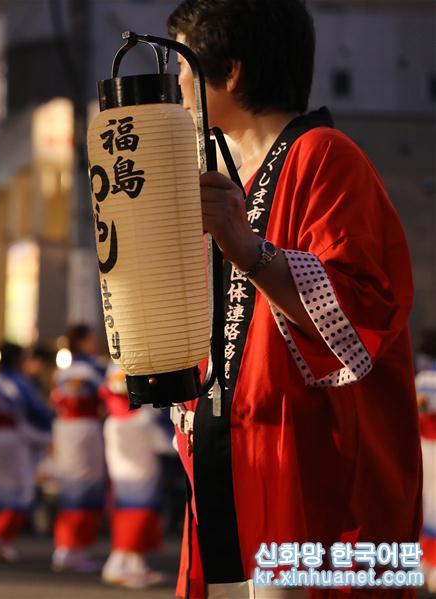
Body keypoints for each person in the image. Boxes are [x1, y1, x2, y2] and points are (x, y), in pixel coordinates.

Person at [166, 1, 421, 597]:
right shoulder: (217, 170)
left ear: (230, 71)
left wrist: (247, 247)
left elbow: (362, 315)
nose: (175, 89)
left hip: (310, 465)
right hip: (235, 453)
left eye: (183, 69)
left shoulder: (326, 156)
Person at [0, 342, 54, 563]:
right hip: (14, 437)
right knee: (22, 492)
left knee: (3, 491)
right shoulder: (17, 383)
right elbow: (37, 412)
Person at [99, 364, 167, 589]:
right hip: (132, 431)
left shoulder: (122, 362)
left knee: (136, 507)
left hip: (127, 430)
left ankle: (135, 563)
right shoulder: (123, 363)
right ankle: (118, 563)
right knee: (138, 509)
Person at [49, 324, 106, 573]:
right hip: (85, 428)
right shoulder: (90, 368)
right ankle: (72, 548)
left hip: (65, 428)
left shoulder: (62, 371)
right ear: (83, 341)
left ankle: (67, 547)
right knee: (84, 488)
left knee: (72, 486)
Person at [415, 331, 436, 592]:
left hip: (427, 448)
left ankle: (427, 565)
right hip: (427, 447)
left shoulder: (426, 378)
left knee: (428, 506)